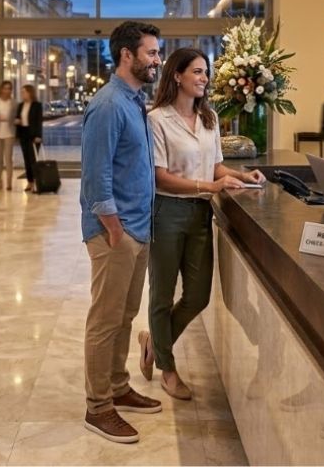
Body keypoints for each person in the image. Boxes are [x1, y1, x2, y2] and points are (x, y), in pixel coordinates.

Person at [138, 47, 266, 401]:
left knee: (197, 296)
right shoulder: (157, 119)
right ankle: (167, 369)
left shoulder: (209, 117)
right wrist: (211, 187)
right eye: (197, 71)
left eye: (205, 72)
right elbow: (159, 176)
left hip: (199, 216)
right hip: (167, 212)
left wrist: (242, 175)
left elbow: (215, 165)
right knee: (162, 296)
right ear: (177, 75)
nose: (204, 78)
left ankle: (153, 343)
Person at [80, 20, 163, 444]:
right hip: (116, 231)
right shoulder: (109, 104)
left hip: (137, 227)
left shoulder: (134, 101)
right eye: (151, 52)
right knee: (105, 320)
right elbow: (96, 179)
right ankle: (98, 407)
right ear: (127, 55)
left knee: (125, 316)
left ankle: (117, 386)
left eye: (157, 52)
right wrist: (115, 231)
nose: (157, 60)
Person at [15, 84, 44, 192]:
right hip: (23, 133)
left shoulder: (37, 105)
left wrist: (38, 136)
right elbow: (18, 118)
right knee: (26, 160)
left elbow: (38, 121)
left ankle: (36, 182)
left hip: (34, 135)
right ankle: (30, 182)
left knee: (33, 160)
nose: (22, 94)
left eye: (24, 92)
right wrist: (17, 121)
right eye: (21, 92)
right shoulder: (21, 105)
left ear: (30, 93)